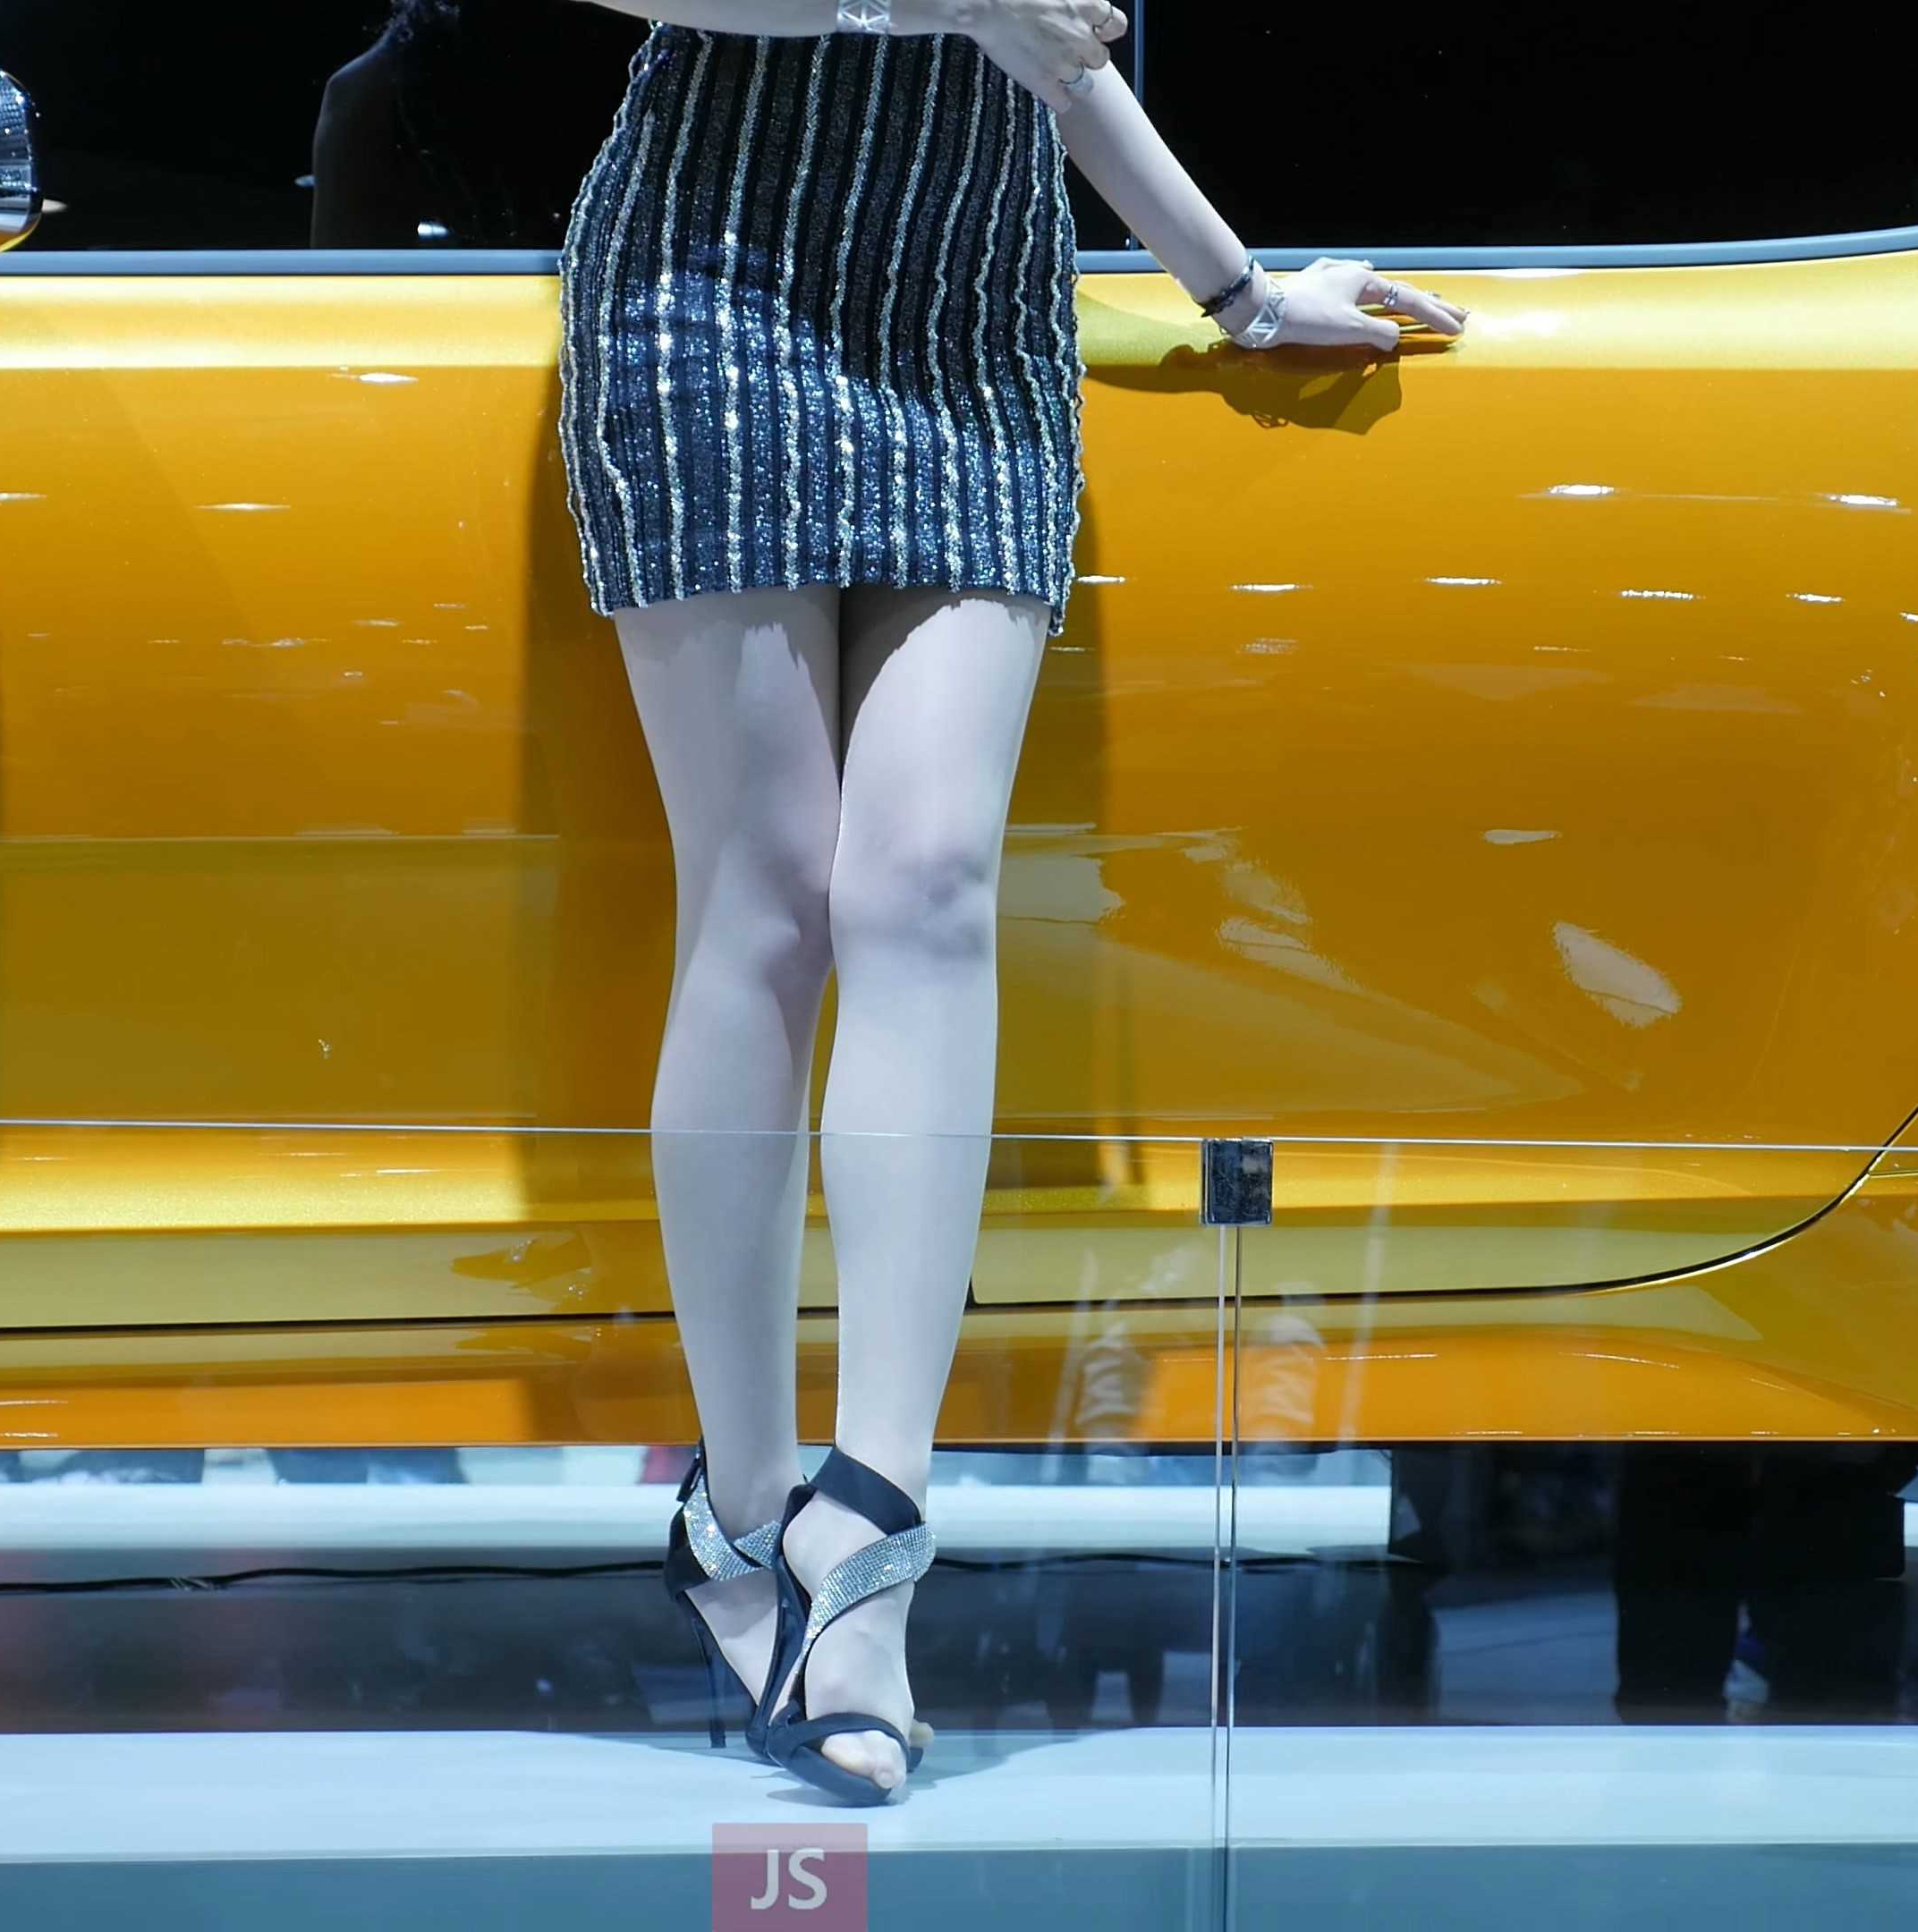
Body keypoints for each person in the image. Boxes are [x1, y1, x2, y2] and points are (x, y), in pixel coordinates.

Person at [563, 0, 1469, 1803]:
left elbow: (1051, 38)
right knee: (763, 904)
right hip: (705, 281)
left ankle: (870, 1520)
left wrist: (1233, 289)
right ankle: (742, 1506)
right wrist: (925, 3)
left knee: (926, 884)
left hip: (974, 320)